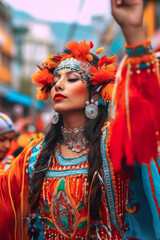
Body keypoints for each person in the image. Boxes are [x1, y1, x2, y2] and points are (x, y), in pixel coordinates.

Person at [0, 0, 160, 239]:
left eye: (72, 78)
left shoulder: (114, 144)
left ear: (95, 91)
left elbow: (146, 116)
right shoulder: (32, 157)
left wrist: (133, 31)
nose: (59, 85)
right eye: (55, 80)